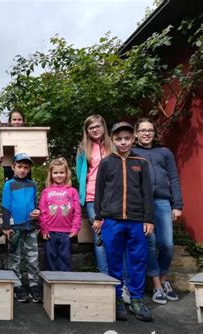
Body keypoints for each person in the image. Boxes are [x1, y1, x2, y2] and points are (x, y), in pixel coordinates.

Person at [93, 122, 154, 322]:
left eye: (127, 138)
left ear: (133, 138)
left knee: (137, 260)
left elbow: (147, 193)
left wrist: (149, 219)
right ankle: (117, 298)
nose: (123, 142)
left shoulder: (141, 162)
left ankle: (136, 299)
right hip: (112, 220)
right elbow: (100, 191)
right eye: (119, 139)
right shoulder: (106, 162)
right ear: (112, 140)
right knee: (114, 261)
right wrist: (99, 217)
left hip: (136, 221)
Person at [133, 118, 183, 305]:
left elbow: (174, 178)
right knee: (150, 244)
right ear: (136, 134)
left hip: (163, 203)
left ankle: (163, 280)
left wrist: (177, 205)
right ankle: (156, 285)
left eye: (150, 130)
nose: (146, 133)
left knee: (167, 245)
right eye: (143, 130)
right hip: (142, 205)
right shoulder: (132, 153)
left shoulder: (164, 152)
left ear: (154, 133)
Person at [76, 114, 113, 275]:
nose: (95, 130)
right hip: (92, 197)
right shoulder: (83, 148)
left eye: (97, 126)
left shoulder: (114, 145)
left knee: (115, 235)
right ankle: (104, 276)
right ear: (87, 131)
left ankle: (120, 278)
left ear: (104, 126)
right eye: (91, 128)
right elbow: (79, 172)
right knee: (99, 238)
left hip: (113, 196)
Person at [2, 152, 41, 303]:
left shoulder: (33, 184)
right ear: (13, 167)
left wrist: (37, 212)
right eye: (19, 166)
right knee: (15, 258)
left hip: (30, 227)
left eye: (26, 167)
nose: (22, 170)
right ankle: (17, 285)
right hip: (14, 228)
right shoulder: (9, 184)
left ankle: (34, 284)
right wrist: (6, 226)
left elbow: (35, 205)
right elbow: (5, 206)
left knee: (33, 258)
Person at [38, 158, 81, 271]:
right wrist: (44, 229)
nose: (58, 175)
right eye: (55, 173)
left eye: (62, 172)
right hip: (50, 232)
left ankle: (65, 285)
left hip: (67, 233)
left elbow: (77, 212)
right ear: (51, 174)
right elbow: (42, 212)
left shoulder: (72, 191)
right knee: (50, 259)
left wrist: (75, 228)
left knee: (65, 259)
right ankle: (50, 285)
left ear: (66, 173)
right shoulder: (46, 191)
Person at [0, 110, 29, 180]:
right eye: (14, 120)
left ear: (23, 121)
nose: (17, 122)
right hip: (9, 171)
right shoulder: (4, 134)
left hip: (25, 171)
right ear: (10, 122)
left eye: (19, 120)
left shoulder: (27, 134)